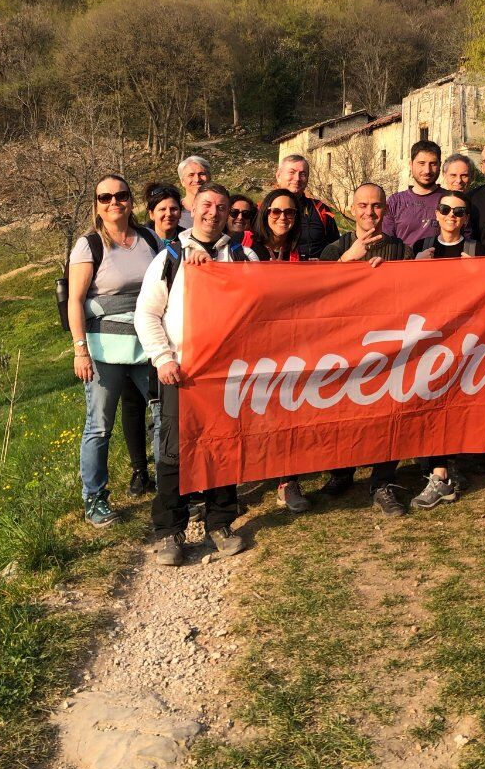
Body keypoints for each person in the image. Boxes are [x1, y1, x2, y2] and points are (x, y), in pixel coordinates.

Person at [135, 184, 249, 565]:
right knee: (172, 452)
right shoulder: (170, 257)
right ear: (192, 208)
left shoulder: (241, 255)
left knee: (224, 447)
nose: (213, 213)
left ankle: (220, 523)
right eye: (206, 205)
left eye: (221, 207)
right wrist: (163, 358)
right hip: (182, 373)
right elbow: (147, 313)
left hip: (226, 374)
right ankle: (170, 530)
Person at [68, 175, 159, 526]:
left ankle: (172, 486)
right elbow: (76, 301)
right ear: (96, 204)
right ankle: (95, 498)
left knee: (163, 415)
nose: (114, 202)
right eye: (105, 197)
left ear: (131, 200)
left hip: (147, 345)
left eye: (121, 195)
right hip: (104, 351)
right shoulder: (88, 246)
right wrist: (80, 351)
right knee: (99, 426)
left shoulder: (148, 238)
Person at [318, 182, 412, 516]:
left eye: (375, 206)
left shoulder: (401, 250)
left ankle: (383, 482)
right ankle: (342, 472)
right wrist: (349, 259)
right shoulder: (334, 249)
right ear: (351, 208)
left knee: (388, 415)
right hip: (344, 346)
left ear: (385, 209)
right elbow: (316, 291)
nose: (369, 212)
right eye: (362, 205)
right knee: (344, 412)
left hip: (388, 347)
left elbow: (416, 294)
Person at [411, 190, 485, 508]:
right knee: (430, 398)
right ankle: (441, 470)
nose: (452, 216)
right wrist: (414, 266)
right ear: (437, 215)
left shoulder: (475, 249)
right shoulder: (421, 249)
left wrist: (478, 271)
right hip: (428, 337)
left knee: (453, 401)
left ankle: (442, 472)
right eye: (446, 209)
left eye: (459, 211)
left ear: (466, 218)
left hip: (465, 337)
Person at [240, 188, 312, 515]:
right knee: (250, 412)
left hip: (291, 341)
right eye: (275, 212)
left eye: (290, 212)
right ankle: (233, 484)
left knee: (287, 410)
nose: (283, 217)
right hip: (249, 342)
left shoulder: (302, 249)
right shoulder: (244, 247)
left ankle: (287, 480)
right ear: (264, 214)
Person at [274, 154, 339, 259]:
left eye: (303, 174)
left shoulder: (321, 209)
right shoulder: (263, 210)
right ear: (278, 176)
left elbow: (336, 248)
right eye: (292, 172)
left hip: (314, 273)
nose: (297, 178)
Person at [383, 140, 444, 249]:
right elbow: (386, 243)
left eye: (433, 164)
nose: (427, 170)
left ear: (440, 164)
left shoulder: (449, 200)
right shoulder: (395, 202)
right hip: (404, 264)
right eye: (421, 163)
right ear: (411, 164)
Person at [144, 182, 183, 252]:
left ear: (180, 212)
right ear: (151, 214)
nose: (168, 214)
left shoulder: (188, 241)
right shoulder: (142, 240)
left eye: (173, 209)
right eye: (162, 209)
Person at [177, 155, 212, 231]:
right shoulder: (174, 211)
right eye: (191, 175)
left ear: (209, 177)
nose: (197, 179)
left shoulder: (219, 210)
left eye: (201, 174)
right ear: (182, 181)